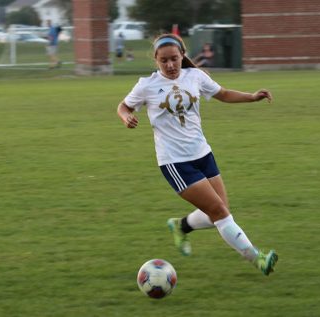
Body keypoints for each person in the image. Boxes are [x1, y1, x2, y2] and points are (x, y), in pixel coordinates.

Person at [117, 33, 278, 275]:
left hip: (203, 154)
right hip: (175, 162)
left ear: (182, 55)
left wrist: (252, 97)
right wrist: (126, 117)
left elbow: (222, 94)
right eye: (164, 61)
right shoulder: (146, 85)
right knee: (220, 213)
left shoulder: (195, 76)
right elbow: (123, 106)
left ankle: (180, 226)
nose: (170, 65)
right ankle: (257, 258)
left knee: (219, 211)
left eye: (174, 58)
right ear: (156, 60)